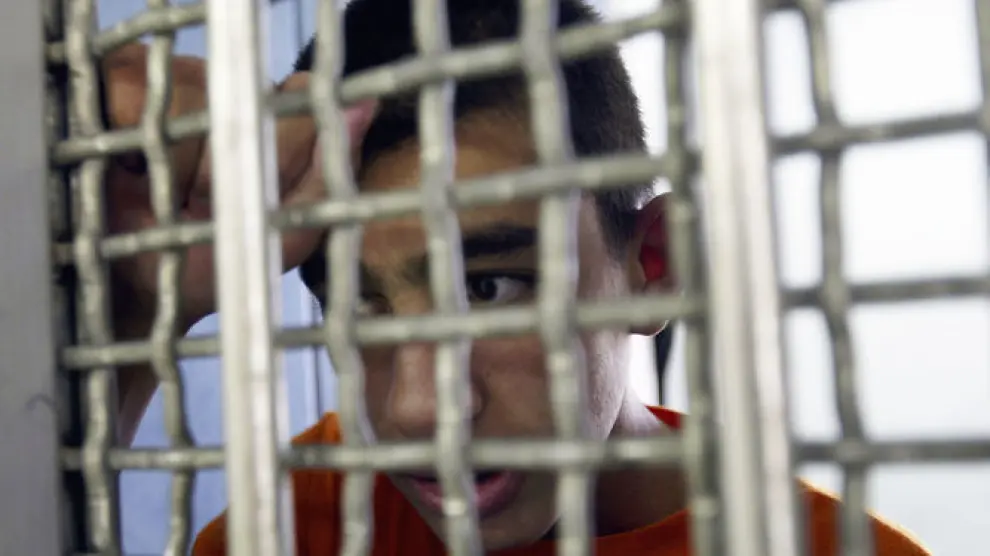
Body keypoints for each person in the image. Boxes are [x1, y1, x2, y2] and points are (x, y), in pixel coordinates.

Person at [99, 0, 929, 554]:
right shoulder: (307, 515)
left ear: (652, 267)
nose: (414, 410)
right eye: (361, 306)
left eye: (490, 289)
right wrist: (139, 317)